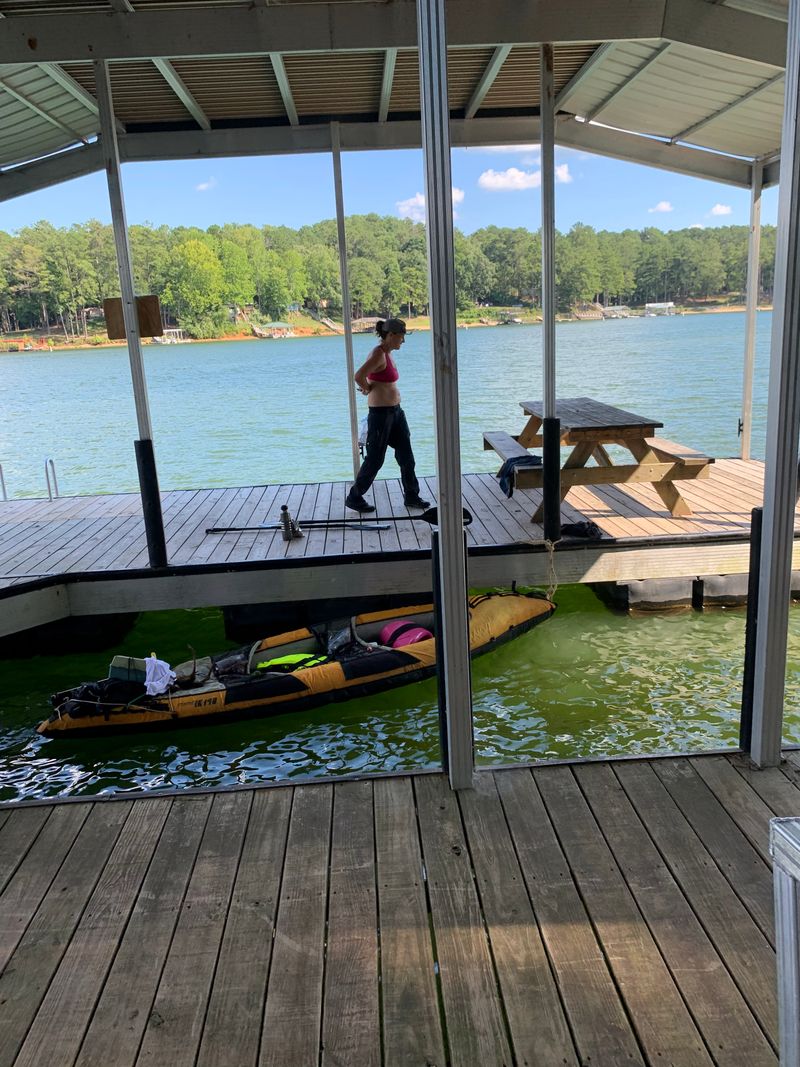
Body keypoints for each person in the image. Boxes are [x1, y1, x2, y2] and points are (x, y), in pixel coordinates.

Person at [345, 318, 430, 514]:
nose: (403, 341)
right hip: (381, 415)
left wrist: (369, 386)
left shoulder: (387, 353)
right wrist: (366, 389)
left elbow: (374, 377)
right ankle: (354, 497)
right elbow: (359, 375)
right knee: (375, 458)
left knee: (406, 456)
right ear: (390, 335)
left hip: (396, 413)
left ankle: (411, 496)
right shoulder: (378, 354)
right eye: (401, 337)